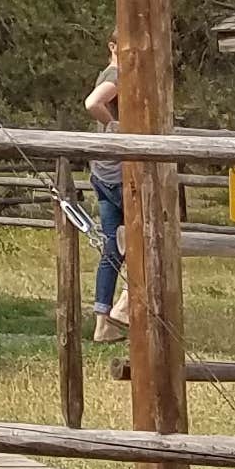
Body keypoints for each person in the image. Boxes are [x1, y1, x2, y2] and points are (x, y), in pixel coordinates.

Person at [84, 59, 126, 344]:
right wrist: (116, 126)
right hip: (120, 172)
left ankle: (102, 324)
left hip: (102, 171)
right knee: (145, 239)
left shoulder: (105, 72)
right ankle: (124, 307)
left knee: (112, 247)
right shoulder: (120, 73)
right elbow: (92, 103)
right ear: (112, 46)